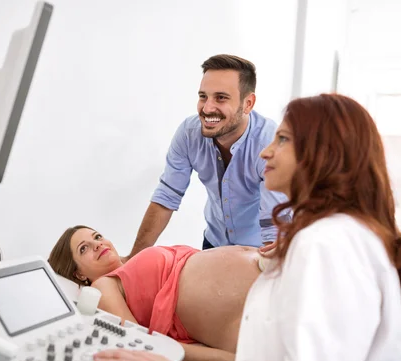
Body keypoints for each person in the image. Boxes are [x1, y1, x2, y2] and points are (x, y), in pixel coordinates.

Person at [93, 93, 401, 361]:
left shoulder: (327, 242)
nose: (266, 150)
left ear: (322, 154)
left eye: (282, 140)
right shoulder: (338, 235)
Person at [123, 54, 290, 262]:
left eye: (221, 98)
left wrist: (269, 276)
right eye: (203, 96)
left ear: (248, 104)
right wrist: (132, 261)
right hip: (213, 244)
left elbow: (274, 228)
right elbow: (166, 198)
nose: (207, 108)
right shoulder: (189, 133)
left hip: (258, 251)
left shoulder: (270, 144)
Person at [48, 225, 263, 361]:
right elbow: (141, 343)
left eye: (97, 236)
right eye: (84, 248)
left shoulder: (132, 264)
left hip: (269, 271)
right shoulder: (102, 286)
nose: (97, 244)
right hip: (246, 309)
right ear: (78, 273)